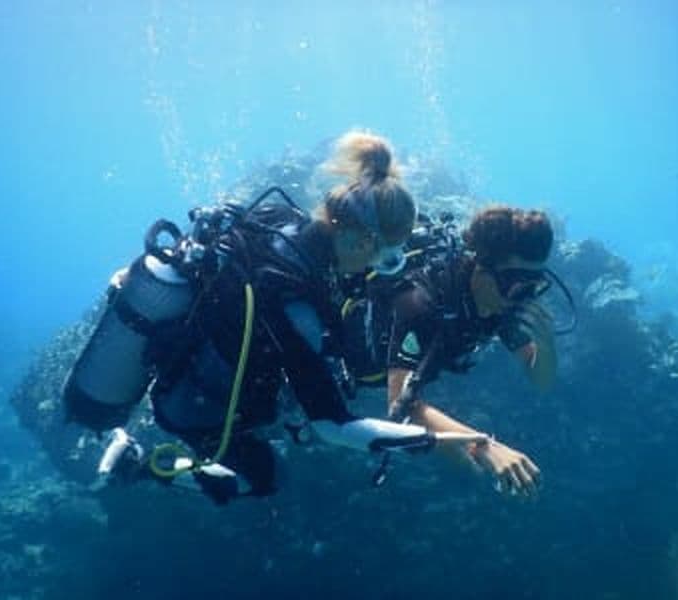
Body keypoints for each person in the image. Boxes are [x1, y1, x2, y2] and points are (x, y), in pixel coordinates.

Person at [64, 131, 485, 504]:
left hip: (186, 361)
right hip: (197, 408)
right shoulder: (296, 300)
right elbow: (333, 426)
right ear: (357, 239)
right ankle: (139, 467)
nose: (382, 267)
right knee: (265, 478)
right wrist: (434, 440)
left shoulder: (282, 224)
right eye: (386, 256)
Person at [341, 206, 559, 497]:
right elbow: (398, 405)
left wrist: (546, 344)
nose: (523, 298)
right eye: (516, 284)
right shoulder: (419, 301)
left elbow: (540, 381)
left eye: (534, 286)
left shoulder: (502, 307)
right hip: (331, 360)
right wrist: (484, 446)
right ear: (482, 267)